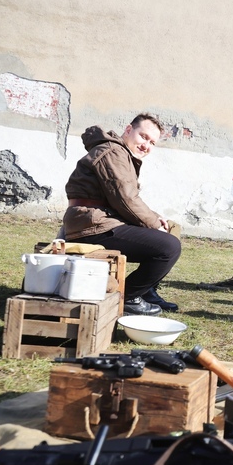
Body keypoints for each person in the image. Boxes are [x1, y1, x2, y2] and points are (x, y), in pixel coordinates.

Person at [62, 113, 182, 316]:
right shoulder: (112, 152)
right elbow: (126, 199)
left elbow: (124, 197)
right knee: (169, 247)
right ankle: (129, 296)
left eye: (152, 142)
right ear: (128, 130)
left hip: (100, 220)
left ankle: (146, 290)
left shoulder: (119, 153)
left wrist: (156, 217)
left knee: (171, 228)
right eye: (143, 137)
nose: (146, 146)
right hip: (92, 225)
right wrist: (153, 223)